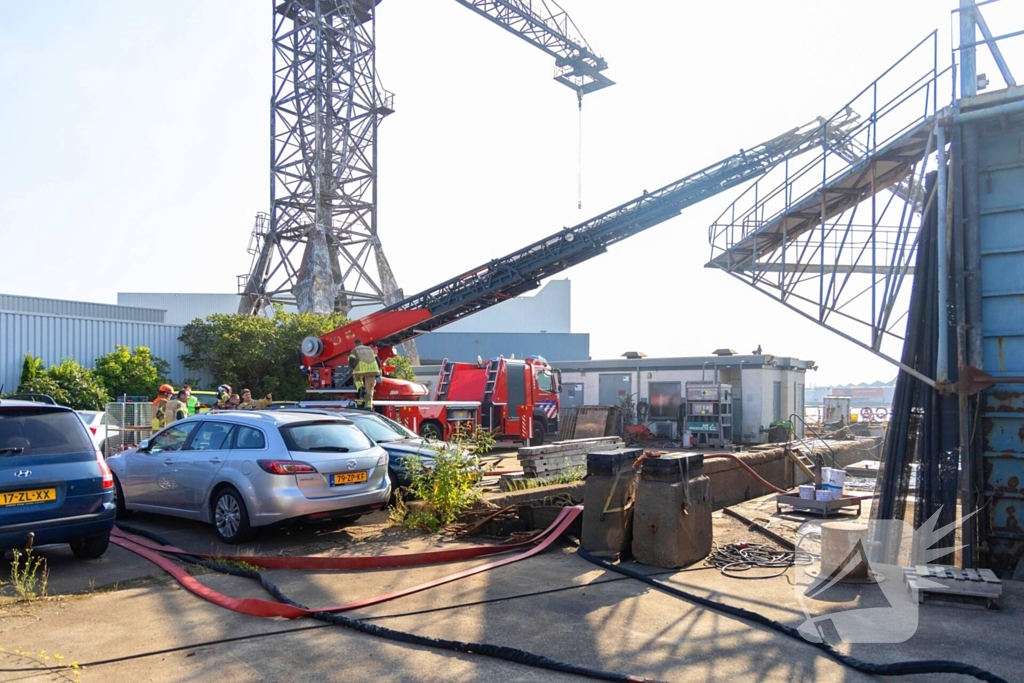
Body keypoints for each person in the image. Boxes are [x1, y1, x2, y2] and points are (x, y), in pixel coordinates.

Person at [348, 338, 381, 409]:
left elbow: (351, 362)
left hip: (361, 368)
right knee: (370, 389)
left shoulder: (355, 350)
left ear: (355, 344)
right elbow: (378, 361)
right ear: (362, 343)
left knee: (357, 378)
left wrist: (354, 368)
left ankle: (361, 388)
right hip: (373, 370)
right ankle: (368, 406)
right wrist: (377, 372)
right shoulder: (370, 349)